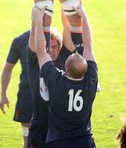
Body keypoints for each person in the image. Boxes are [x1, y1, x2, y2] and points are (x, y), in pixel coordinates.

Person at [33, 3, 98, 148]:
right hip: (85, 141)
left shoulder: (56, 82)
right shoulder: (91, 82)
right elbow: (88, 47)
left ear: (66, 70)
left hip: (59, 142)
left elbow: (40, 51)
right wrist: (84, 18)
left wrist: (38, 20)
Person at [27, 9, 82, 148]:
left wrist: (65, 5)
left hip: (61, 129)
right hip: (41, 124)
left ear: (59, 46)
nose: (50, 50)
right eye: (47, 47)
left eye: (53, 46)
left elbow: (67, 28)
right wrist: (37, 19)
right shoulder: (35, 60)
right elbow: (35, 36)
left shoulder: (65, 57)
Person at [0, 30, 32, 148]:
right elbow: (8, 68)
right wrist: (3, 94)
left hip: (50, 99)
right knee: (28, 142)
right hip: (27, 97)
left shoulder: (54, 39)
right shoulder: (20, 41)